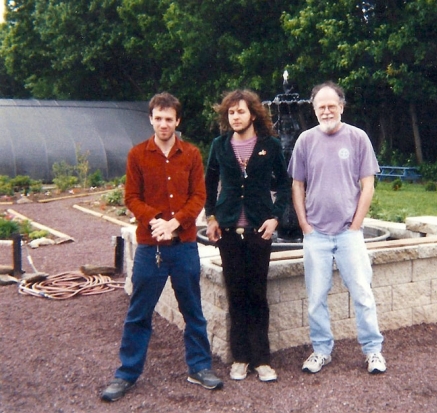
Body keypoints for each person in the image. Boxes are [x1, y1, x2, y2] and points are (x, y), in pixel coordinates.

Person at [101, 92, 222, 402]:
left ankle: (199, 367)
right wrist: (156, 221)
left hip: (184, 247)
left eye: (170, 119)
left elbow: (198, 196)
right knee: (138, 312)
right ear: (151, 119)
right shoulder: (137, 155)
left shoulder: (192, 154)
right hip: (149, 248)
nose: (164, 123)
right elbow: (131, 198)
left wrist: (175, 224)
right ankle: (127, 373)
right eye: (159, 118)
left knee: (193, 310)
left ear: (177, 121)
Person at [287, 81, 387, 374]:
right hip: (315, 234)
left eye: (332, 106)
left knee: (362, 294)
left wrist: (356, 225)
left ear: (341, 107)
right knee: (316, 298)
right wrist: (304, 224)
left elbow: (368, 185)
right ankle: (321, 350)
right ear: (314, 109)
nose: (327, 111)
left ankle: (373, 352)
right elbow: (297, 184)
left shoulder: (358, 138)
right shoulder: (305, 140)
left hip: (348, 234)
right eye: (321, 107)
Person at [205, 89, 290, 382]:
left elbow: (285, 186)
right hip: (228, 231)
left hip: (258, 231)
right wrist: (211, 217)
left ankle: (262, 359)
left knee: (257, 294)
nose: (236, 117)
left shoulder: (271, 146)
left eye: (241, 111)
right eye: (231, 112)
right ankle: (240, 357)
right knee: (236, 293)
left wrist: (275, 217)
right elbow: (209, 185)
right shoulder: (219, 145)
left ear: (252, 114)